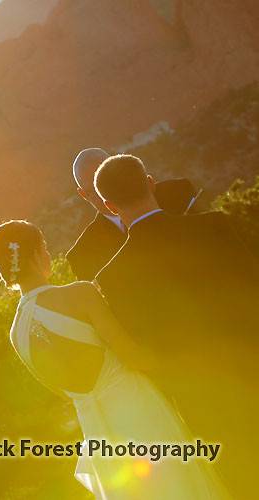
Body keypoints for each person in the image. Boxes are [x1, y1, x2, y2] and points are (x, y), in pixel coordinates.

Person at [0, 220, 228, 499]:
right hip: (138, 409)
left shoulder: (16, 333)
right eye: (44, 247)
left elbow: (63, 391)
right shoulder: (79, 294)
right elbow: (134, 357)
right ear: (32, 255)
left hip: (99, 436)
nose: (47, 254)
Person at [93, 154, 259, 498]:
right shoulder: (214, 225)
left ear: (108, 205)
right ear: (151, 182)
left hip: (202, 400)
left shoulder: (113, 277)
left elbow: (143, 348)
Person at [66, 148, 201, 280]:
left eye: (110, 179)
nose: (105, 189)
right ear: (83, 194)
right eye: (95, 188)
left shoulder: (178, 193)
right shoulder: (83, 254)